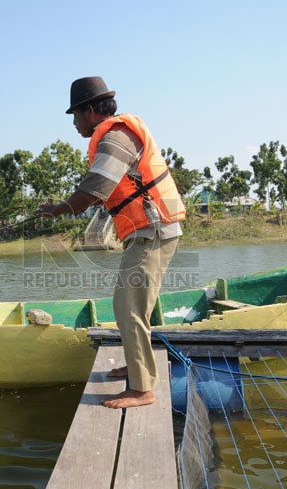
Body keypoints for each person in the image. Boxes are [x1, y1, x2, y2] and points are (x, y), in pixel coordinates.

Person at [37, 76, 185, 408]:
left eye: (76, 115)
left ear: (91, 110)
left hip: (154, 228)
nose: (75, 124)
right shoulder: (116, 135)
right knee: (134, 305)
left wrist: (60, 209)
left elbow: (96, 187)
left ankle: (142, 390)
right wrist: (62, 208)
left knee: (127, 306)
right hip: (150, 228)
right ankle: (138, 371)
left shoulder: (117, 136)